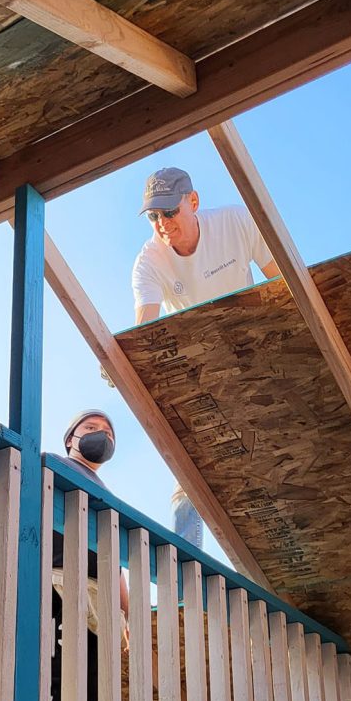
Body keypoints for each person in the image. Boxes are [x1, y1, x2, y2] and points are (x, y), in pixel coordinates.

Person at [129, 166, 280, 548]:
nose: (163, 224)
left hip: (250, 355)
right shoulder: (149, 261)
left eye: (169, 212)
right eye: (153, 216)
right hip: (200, 369)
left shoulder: (234, 221)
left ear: (192, 202)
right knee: (188, 468)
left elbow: (283, 283)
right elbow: (144, 328)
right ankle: (185, 566)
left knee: (270, 457)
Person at [48, 410, 129, 701]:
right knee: (57, 682)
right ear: (71, 438)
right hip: (60, 583)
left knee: (88, 689)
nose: (101, 436)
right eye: (91, 429)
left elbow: (117, 563)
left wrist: (124, 615)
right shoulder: (53, 466)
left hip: (100, 599)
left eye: (108, 433)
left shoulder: (109, 497)